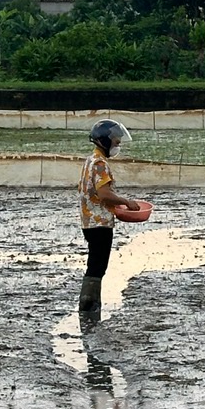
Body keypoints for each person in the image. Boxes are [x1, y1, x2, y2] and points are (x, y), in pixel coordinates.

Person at [78, 119, 141, 318]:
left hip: (91, 221)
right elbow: (104, 194)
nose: (118, 144)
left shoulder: (91, 160)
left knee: (95, 262)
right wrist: (126, 202)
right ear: (104, 141)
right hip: (99, 223)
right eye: (115, 141)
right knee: (97, 265)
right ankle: (89, 305)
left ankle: (90, 303)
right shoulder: (99, 164)